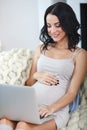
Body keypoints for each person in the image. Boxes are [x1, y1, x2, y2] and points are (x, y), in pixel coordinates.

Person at [0, 2, 87, 130]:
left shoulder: (80, 54)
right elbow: (29, 83)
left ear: (68, 24)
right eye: (49, 26)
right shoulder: (41, 48)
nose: (52, 31)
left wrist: (50, 108)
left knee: (23, 126)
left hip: (54, 110)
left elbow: (72, 93)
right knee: (5, 121)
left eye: (58, 25)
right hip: (29, 106)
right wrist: (37, 74)